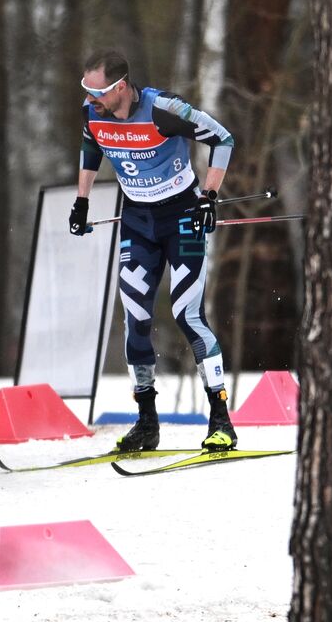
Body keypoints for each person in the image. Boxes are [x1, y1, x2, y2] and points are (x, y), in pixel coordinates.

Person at [69, 51, 238, 452]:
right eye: (86, 92)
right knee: (136, 317)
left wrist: (210, 196)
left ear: (121, 87)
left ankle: (221, 420)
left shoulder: (163, 110)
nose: (91, 100)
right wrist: (81, 202)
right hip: (138, 222)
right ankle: (147, 423)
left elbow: (223, 139)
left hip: (182, 219)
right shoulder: (92, 114)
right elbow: (90, 149)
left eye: (98, 92)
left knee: (186, 313)